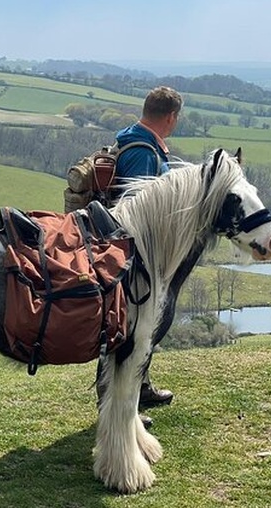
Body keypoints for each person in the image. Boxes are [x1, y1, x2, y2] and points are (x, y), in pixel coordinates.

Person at [100, 86, 183, 427]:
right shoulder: (143, 151)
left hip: (130, 248)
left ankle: (141, 387)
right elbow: (137, 209)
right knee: (127, 328)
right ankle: (117, 404)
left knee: (140, 328)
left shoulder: (135, 140)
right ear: (171, 117)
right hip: (131, 251)